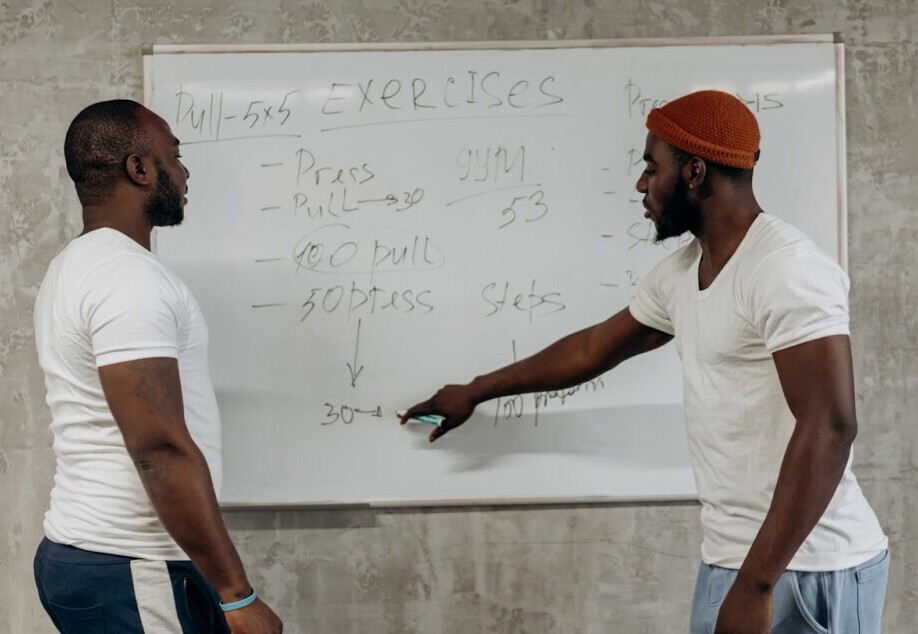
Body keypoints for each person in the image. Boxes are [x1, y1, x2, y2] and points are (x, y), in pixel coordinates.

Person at [400, 90, 889, 633]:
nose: (641, 184)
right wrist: (474, 390)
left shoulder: (785, 268)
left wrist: (756, 586)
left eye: (651, 167)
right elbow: (591, 349)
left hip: (807, 566)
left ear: (695, 172)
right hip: (735, 559)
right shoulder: (683, 272)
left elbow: (831, 423)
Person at [32, 100, 283, 633]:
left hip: (106, 557)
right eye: (174, 156)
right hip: (129, 563)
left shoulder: (76, 266)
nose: (185, 171)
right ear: (139, 168)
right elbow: (157, 448)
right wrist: (237, 598)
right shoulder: (127, 279)